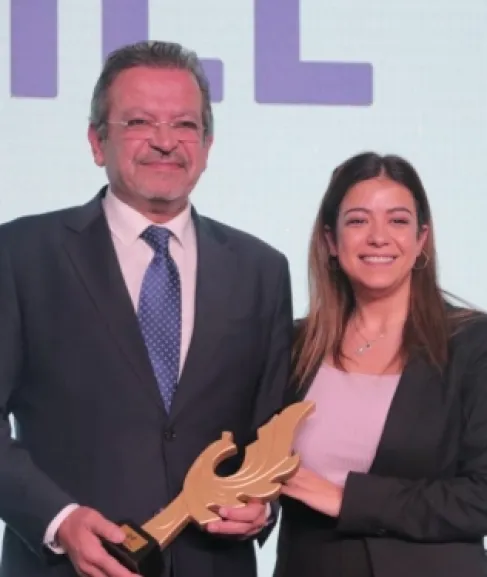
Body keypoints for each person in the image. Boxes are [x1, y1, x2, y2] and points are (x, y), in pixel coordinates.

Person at [0, 41, 293, 577]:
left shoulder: (261, 271)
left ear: (207, 145)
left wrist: (262, 507)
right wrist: (57, 520)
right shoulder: (20, 255)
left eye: (185, 125)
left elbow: (267, 434)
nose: (164, 141)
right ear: (97, 141)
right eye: (138, 122)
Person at [274, 152, 487, 577]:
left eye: (397, 221)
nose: (378, 237)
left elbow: (480, 496)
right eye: (358, 221)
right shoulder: (293, 345)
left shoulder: (473, 344)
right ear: (331, 240)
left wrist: (345, 499)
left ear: (421, 239)